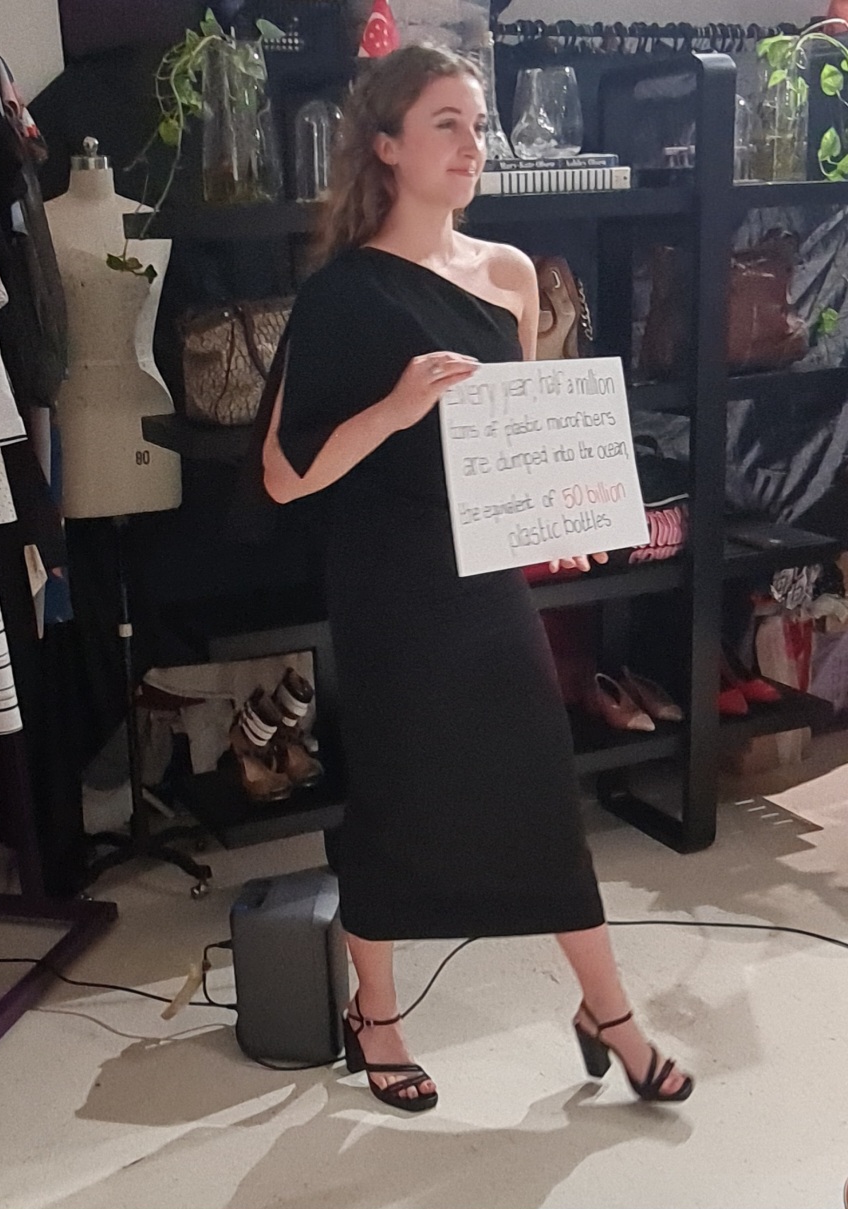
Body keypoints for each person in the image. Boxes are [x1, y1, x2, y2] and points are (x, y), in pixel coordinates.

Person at [261, 44, 693, 1112]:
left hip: (487, 565)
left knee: (540, 784)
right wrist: (396, 408)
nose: (472, 145)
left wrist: (564, 517)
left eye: (479, 124)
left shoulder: (509, 273)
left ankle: (609, 1013)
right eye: (445, 124)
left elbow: (521, 431)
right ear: (386, 146)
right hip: (389, 577)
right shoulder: (341, 295)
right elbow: (282, 475)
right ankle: (376, 1016)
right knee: (397, 789)